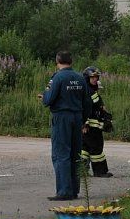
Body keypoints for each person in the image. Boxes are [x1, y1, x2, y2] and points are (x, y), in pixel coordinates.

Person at [39, 51, 92, 201]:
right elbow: (87, 102)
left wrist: (44, 96)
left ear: (57, 61)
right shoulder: (80, 78)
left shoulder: (58, 77)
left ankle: (64, 191)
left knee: (61, 154)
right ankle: (74, 190)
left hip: (62, 117)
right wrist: (83, 119)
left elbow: (49, 99)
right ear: (71, 61)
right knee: (75, 153)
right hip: (77, 117)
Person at [81, 67, 113, 178]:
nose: (95, 79)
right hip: (90, 127)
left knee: (85, 149)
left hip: (94, 126)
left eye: (96, 77)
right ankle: (100, 172)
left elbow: (97, 106)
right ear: (87, 78)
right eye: (92, 77)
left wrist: (105, 114)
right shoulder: (86, 91)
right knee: (96, 147)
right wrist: (84, 124)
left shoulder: (91, 90)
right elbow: (83, 108)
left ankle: (81, 171)